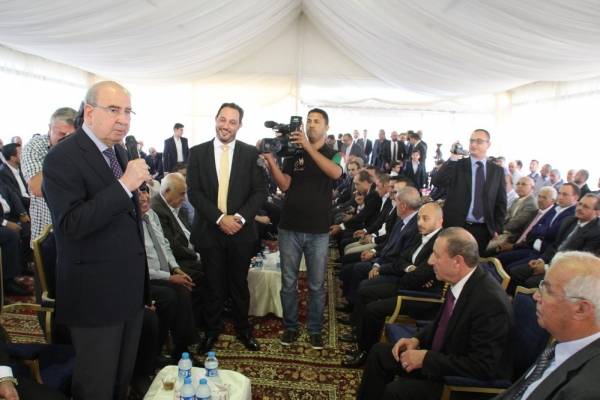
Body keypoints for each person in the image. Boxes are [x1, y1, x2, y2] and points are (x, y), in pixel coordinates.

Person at [43, 81, 151, 400]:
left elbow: (112, 207)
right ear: (89, 113)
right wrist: (124, 186)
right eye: (114, 110)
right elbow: (71, 224)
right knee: (96, 386)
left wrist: (134, 202)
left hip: (128, 290)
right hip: (95, 295)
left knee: (120, 382)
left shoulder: (118, 151)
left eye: (128, 111)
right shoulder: (62, 157)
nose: (123, 120)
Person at [357, 227, 513, 400]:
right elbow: (441, 323)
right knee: (379, 353)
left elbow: (481, 366)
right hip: (444, 357)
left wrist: (426, 359)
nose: (431, 261)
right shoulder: (460, 280)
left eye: (437, 256)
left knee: (396, 391)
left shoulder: (490, 303)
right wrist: (416, 339)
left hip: (459, 383)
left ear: (457, 262)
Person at [187, 102, 266, 353]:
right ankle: (212, 330)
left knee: (239, 284)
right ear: (216, 119)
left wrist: (239, 219)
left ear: (240, 125)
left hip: (241, 232)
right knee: (213, 284)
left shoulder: (250, 154)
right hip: (209, 230)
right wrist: (220, 219)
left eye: (232, 122)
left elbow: (259, 191)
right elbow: (194, 192)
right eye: (223, 119)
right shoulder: (197, 152)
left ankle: (243, 328)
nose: (226, 126)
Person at [262, 108, 343, 349]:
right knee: (288, 282)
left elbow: (335, 173)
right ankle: (291, 327)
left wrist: (308, 147)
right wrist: (271, 162)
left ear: (326, 127)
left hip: (318, 230)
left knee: (316, 284)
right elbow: (285, 185)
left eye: (317, 121)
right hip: (289, 227)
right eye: (308, 120)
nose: (311, 124)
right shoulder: (293, 152)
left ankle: (315, 329)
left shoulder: (334, 154)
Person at [493, 251, 600, 399]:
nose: (536, 295)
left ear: (580, 309)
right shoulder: (563, 342)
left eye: (548, 291)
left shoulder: (587, 390)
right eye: (541, 286)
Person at [431, 129, 507, 254]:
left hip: (483, 230)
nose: (473, 144)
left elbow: (501, 202)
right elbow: (438, 181)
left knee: (474, 263)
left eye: (479, 141)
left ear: (488, 145)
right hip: (456, 226)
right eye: (471, 141)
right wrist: (453, 158)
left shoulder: (497, 171)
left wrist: (497, 228)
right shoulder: (458, 164)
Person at [21, 107, 77, 247]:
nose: (66, 139)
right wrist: (62, 154)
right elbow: (37, 188)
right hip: (48, 232)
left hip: (77, 227)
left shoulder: (81, 147)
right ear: (49, 128)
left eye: (72, 135)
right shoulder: (35, 146)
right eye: (61, 134)